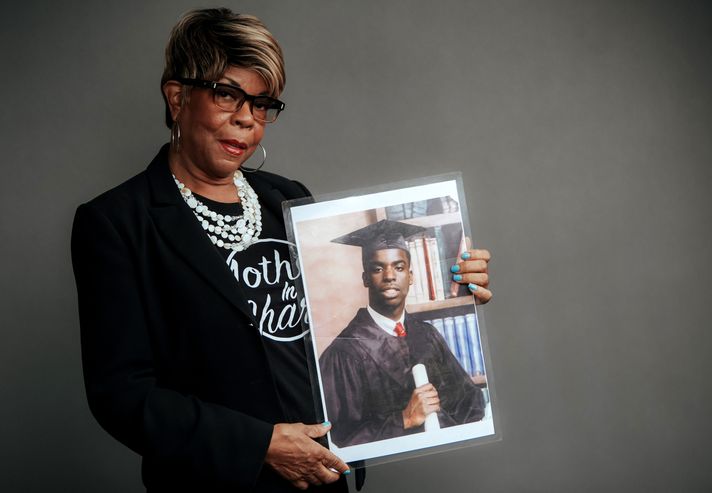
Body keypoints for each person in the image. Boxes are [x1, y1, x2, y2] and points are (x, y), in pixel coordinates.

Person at [71, 7, 491, 493]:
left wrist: (460, 284)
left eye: (262, 103)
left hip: (320, 480)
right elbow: (122, 397)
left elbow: (331, 348)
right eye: (227, 94)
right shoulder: (118, 223)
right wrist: (259, 444)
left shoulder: (285, 199)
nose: (247, 119)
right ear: (177, 97)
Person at [319, 220, 489, 447]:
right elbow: (338, 442)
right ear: (365, 279)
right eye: (378, 268)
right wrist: (404, 419)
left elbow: (470, 401)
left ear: (410, 276)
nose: (390, 275)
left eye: (399, 267)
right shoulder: (344, 352)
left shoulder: (427, 335)